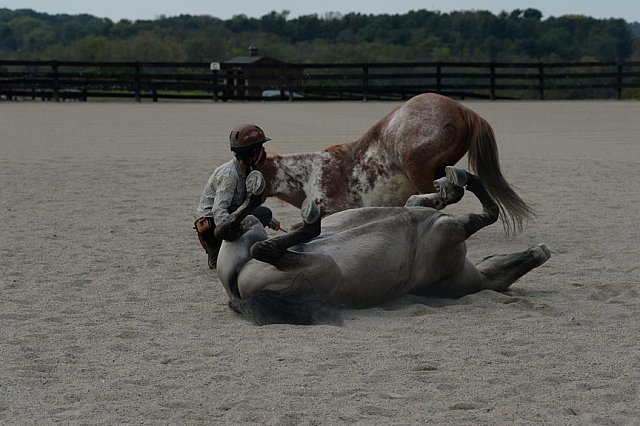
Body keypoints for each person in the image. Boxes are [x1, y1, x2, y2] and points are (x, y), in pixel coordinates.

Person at [194, 124, 280, 269]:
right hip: (211, 226)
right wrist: (229, 231)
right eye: (260, 148)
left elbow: (245, 205)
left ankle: (236, 246)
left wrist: (269, 220)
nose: (263, 152)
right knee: (256, 216)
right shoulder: (229, 174)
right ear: (252, 152)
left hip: (229, 216)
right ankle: (218, 250)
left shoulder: (247, 170)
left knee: (264, 214)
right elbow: (219, 211)